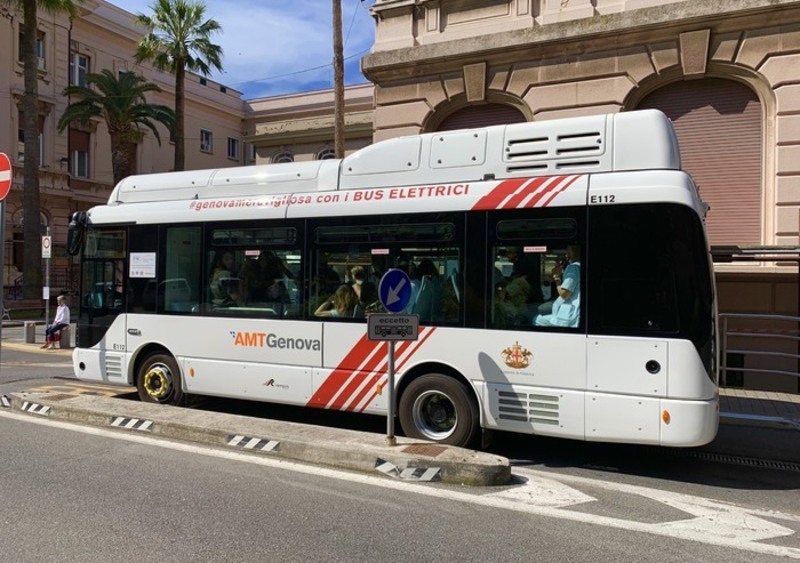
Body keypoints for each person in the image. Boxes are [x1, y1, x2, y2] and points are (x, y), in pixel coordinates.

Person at [534, 244, 581, 327]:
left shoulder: (573, 268)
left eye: (568, 249)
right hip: (572, 311)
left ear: (574, 251)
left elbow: (564, 294)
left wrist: (556, 277)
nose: (566, 251)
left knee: (536, 320)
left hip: (569, 315)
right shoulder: (578, 266)